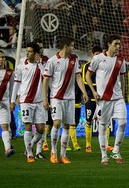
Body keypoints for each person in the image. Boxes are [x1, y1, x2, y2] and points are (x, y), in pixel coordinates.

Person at [42, 36, 88, 164]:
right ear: (65, 47)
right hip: (56, 97)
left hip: (70, 98)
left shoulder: (74, 59)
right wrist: (44, 99)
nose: (73, 48)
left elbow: (78, 76)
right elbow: (45, 80)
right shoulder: (52, 61)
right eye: (72, 46)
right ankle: (53, 152)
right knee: (56, 123)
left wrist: (84, 92)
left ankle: (63, 155)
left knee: (67, 125)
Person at [85, 35, 127, 165]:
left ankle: (116, 151)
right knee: (102, 127)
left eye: (119, 44)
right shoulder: (98, 58)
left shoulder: (121, 60)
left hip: (118, 97)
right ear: (109, 44)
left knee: (123, 122)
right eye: (116, 44)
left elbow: (123, 78)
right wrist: (93, 91)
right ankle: (104, 156)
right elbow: (87, 74)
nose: (118, 46)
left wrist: (124, 94)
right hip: (103, 99)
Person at [11, 42, 46, 162]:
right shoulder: (21, 66)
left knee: (41, 129)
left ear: (36, 54)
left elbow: (45, 77)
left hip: (39, 101)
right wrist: (13, 100)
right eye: (26, 51)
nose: (27, 53)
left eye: (30, 51)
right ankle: (30, 154)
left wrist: (39, 63)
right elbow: (16, 84)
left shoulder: (41, 66)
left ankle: (29, 145)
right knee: (28, 126)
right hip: (26, 100)